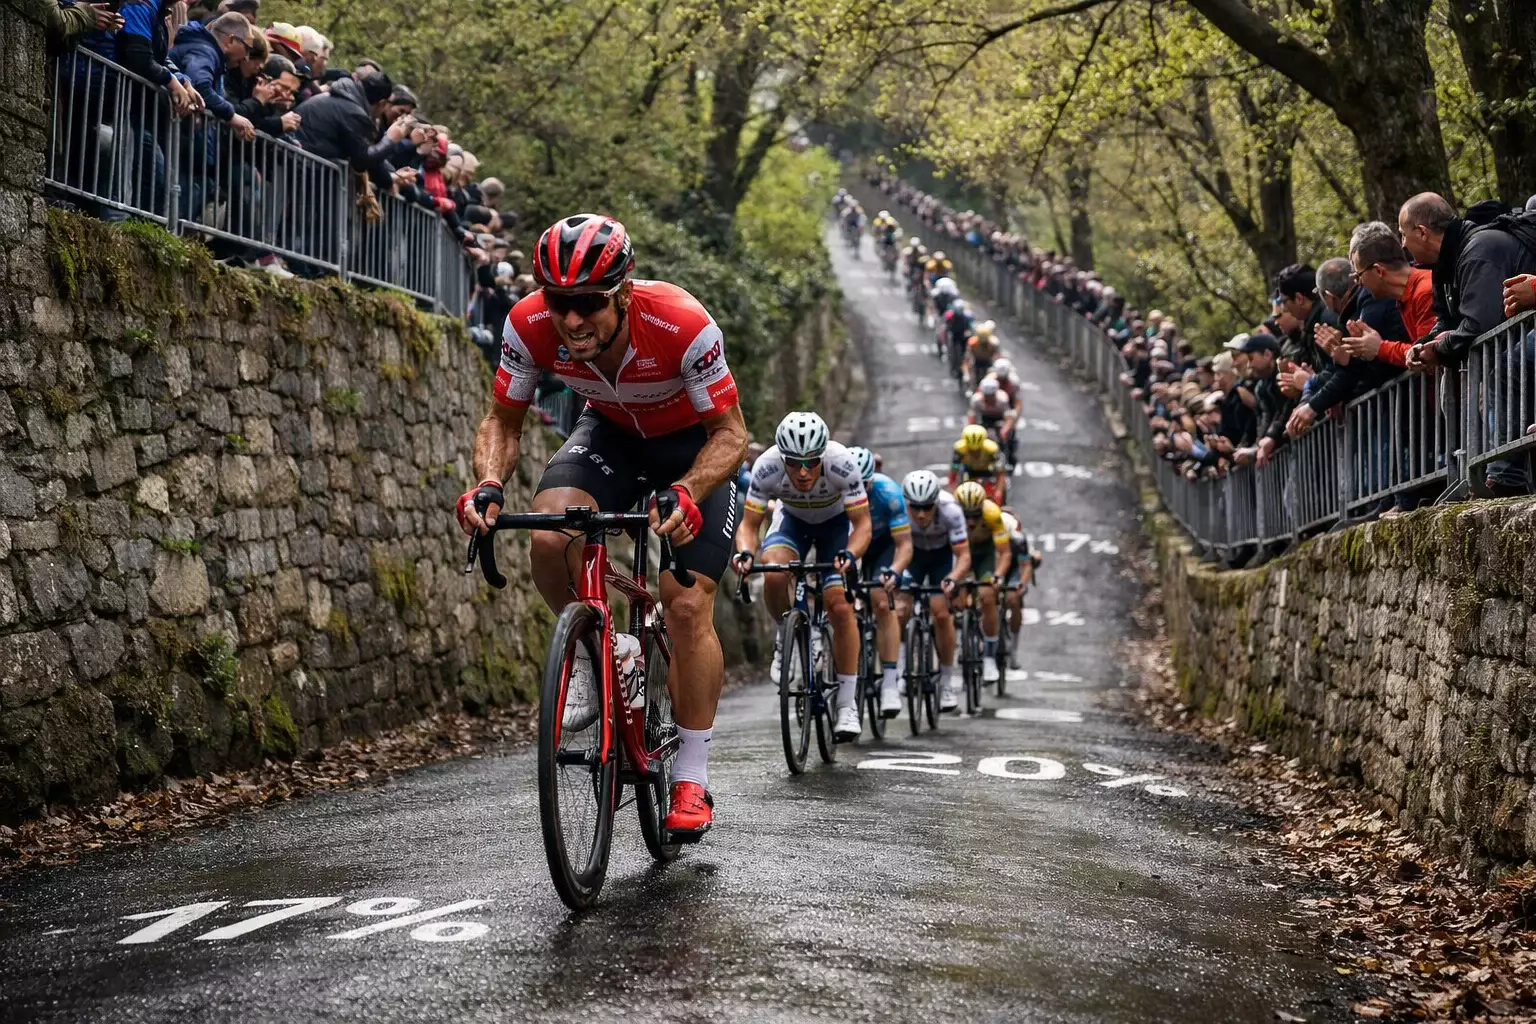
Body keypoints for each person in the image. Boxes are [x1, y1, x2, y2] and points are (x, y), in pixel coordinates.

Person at [457, 214, 749, 842]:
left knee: (687, 603)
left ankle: (692, 779)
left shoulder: (681, 323)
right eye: (559, 302)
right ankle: (595, 651)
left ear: (622, 292)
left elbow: (731, 435)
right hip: (610, 435)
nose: (570, 321)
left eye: (587, 303)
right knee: (549, 535)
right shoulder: (527, 324)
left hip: (689, 451)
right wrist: (488, 484)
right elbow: (502, 422)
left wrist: (688, 490)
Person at [733, 414, 872, 742]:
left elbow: (863, 524)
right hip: (792, 521)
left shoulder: (842, 462)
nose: (804, 471)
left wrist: (850, 555)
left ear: (823, 455)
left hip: (837, 527)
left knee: (839, 606)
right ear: (783, 458)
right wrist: (745, 553)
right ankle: (785, 637)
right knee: (775, 572)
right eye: (794, 463)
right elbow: (750, 526)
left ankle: (847, 704)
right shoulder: (766, 467)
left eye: (812, 462)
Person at [896, 471, 971, 712]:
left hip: (941, 557)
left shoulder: (951, 511)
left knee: (940, 613)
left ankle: (947, 681)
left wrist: (953, 578)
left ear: (936, 503)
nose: (920, 514)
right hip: (912, 556)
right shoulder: (897, 510)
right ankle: (901, 668)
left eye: (927, 507)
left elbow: (963, 556)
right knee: (899, 608)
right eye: (915, 507)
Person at [849, 447, 912, 718]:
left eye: (865, 486)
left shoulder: (889, 493)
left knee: (881, 600)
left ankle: (889, 683)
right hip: (849, 544)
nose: (860, 492)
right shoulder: (834, 491)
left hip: (883, 546)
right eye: (855, 486)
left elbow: (905, 544)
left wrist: (895, 571)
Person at [952, 482, 1012, 688]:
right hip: (961, 553)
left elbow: (1004, 552)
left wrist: (998, 575)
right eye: (965, 516)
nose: (969, 522)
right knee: (955, 596)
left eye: (975, 516)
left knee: (987, 597)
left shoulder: (992, 513)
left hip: (984, 553)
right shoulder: (949, 514)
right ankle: (962, 634)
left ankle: (988, 656)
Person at [169, 11, 257, 140]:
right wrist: (231, 115)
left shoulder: (204, 49)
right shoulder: (205, 52)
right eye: (247, 48)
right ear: (231, 40)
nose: (246, 57)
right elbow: (199, 85)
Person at [999, 506, 1037, 670]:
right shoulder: (989, 533)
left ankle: (1013, 650)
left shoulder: (1019, 539)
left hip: (1014, 569)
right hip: (994, 565)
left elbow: (1026, 566)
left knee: (1013, 600)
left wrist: (1021, 585)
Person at [950, 423, 1005, 505]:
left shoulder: (992, 449)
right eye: (971, 451)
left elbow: (1000, 474)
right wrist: (954, 495)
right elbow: (953, 474)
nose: (975, 453)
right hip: (968, 470)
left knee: (1001, 490)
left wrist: (998, 492)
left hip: (987, 469)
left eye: (978, 450)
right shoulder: (959, 450)